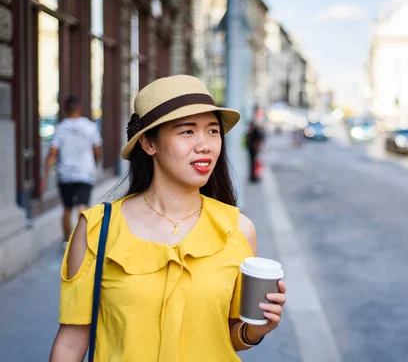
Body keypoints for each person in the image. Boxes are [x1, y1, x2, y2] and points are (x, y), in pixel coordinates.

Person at [49, 75, 287, 361]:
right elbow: (71, 344)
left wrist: (256, 330)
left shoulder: (238, 230)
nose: (205, 145)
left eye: (212, 131)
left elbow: (226, 335)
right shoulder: (98, 229)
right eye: (187, 132)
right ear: (149, 143)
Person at [41, 96, 103, 249]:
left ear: (65, 109)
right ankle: (83, 241)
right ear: (80, 108)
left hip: (66, 174)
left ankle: (66, 241)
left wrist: (45, 177)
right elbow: (97, 150)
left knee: (67, 208)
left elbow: (52, 154)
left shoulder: (61, 128)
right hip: (85, 173)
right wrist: (95, 163)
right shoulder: (90, 126)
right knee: (83, 206)